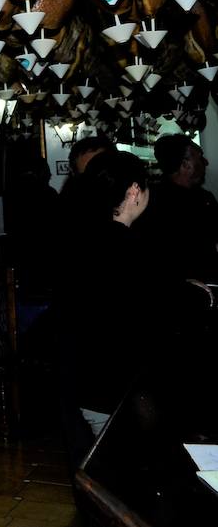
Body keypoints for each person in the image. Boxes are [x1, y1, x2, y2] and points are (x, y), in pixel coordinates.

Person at [59, 151, 213, 443]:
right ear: (134, 191)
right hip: (117, 389)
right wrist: (193, 292)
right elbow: (161, 302)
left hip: (84, 381)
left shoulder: (84, 239)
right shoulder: (128, 247)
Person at [140, 135, 218, 283]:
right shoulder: (150, 202)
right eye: (200, 157)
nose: (205, 162)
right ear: (185, 164)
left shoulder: (206, 198)